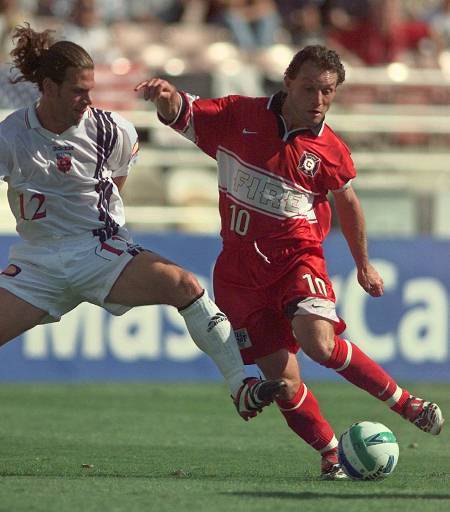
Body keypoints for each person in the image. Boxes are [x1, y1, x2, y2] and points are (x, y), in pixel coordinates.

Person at [135, 44, 445, 480]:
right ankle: (330, 453)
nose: (318, 101)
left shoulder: (330, 150)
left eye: (328, 92)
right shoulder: (238, 116)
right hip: (239, 274)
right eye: (309, 89)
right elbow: (182, 114)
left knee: (318, 341)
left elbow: (349, 204)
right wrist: (164, 95)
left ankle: (405, 403)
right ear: (287, 82)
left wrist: (363, 264)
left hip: (297, 258)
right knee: (284, 383)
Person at [0, 24, 287, 422]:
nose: (87, 99)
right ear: (48, 87)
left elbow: (114, 186)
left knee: (184, 284)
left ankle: (241, 385)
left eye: (90, 89)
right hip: (38, 263)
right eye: (77, 90)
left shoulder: (111, 130)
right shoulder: (11, 134)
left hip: (98, 251)